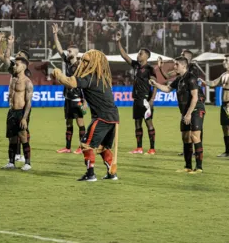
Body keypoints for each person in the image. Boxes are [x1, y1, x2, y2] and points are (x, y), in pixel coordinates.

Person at [52, 49, 119, 181]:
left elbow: (70, 83)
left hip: (102, 117)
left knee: (85, 144)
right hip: (114, 118)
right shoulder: (103, 77)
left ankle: (90, 174)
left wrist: (58, 74)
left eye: (86, 61)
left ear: (94, 63)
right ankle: (111, 173)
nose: (82, 63)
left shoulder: (90, 78)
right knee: (102, 147)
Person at [150, 56, 205, 173]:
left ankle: (199, 167)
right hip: (185, 112)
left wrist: (189, 114)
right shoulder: (179, 79)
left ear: (183, 66)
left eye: (176, 65)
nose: (174, 67)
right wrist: (155, 84)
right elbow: (167, 89)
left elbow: (195, 97)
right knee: (185, 138)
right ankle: (188, 166)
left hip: (195, 110)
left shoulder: (191, 78)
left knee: (194, 137)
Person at [158, 49, 206, 156]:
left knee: (196, 126)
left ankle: (196, 149)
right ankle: (188, 151)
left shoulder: (192, 69)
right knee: (187, 128)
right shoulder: (181, 74)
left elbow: (177, 76)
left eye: (182, 55)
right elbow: (167, 76)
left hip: (198, 97)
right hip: (186, 99)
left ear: (188, 58)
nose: (180, 56)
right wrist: (161, 68)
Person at [116, 32, 157, 155]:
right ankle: (139, 148)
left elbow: (155, 85)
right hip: (136, 99)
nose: (138, 55)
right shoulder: (136, 66)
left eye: (141, 53)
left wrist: (151, 100)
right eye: (139, 53)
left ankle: (152, 149)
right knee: (137, 123)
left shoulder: (150, 69)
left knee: (148, 122)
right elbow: (124, 56)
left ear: (146, 57)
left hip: (145, 99)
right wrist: (118, 41)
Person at [199, 54, 229, 157]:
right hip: (223, 105)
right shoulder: (224, 74)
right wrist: (205, 82)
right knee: (225, 128)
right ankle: (227, 151)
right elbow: (214, 82)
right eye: (224, 61)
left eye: (226, 60)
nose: (224, 62)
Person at [0, 32, 31, 163]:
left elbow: (27, 99)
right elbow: (2, 56)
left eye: (20, 56)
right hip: (12, 108)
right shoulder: (15, 68)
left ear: (26, 61)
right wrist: (3, 43)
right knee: (13, 134)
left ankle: (25, 157)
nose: (17, 57)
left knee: (23, 131)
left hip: (22, 107)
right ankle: (15, 156)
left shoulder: (25, 74)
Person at [52, 24, 86, 154]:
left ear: (76, 53)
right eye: (68, 51)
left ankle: (81, 147)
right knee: (68, 123)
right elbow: (60, 50)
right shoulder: (67, 62)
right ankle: (67, 147)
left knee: (80, 122)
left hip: (77, 98)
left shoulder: (80, 66)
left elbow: (84, 84)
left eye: (70, 51)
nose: (67, 52)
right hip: (67, 97)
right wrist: (55, 35)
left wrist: (85, 101)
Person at [2, 56, 33, 171]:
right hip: (11, 112)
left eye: (17, 64)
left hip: (21, 112)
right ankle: (11, 162)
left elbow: (29, 103)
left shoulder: (28, 82)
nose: (15, 66)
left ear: (24, 67)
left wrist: (25, 118)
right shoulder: (13, 78)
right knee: (12, 138)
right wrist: (8, 44)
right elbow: (5, 59)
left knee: (23, 137)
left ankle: (28, 163)